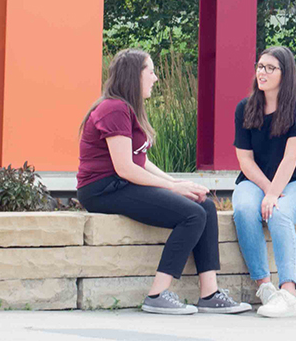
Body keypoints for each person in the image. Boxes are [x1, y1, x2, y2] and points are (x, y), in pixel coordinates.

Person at [76, 49, 250, 315]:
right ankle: (157, 294)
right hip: (103, 189)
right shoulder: (113, 109)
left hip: (121, 184)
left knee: (204, 206)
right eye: (151, 71)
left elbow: (142, 162)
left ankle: (210, 293)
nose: (156, 78)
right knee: (191, 214)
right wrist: (173, 188)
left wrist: (178, 183)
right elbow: (125, 168)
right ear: (135, 76)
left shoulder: (127, 109)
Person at [231, 46, 296, 318]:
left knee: (279, 213)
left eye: (270, 68)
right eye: (260, 66)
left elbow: (291, 157)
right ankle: (266, 288)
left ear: (286, 73)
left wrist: (273, 195)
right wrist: (266, 190)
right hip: (255, 179)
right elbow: (245, 161)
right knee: (245, 209)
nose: (263, 72)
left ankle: (288, 295)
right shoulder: (245, 108)